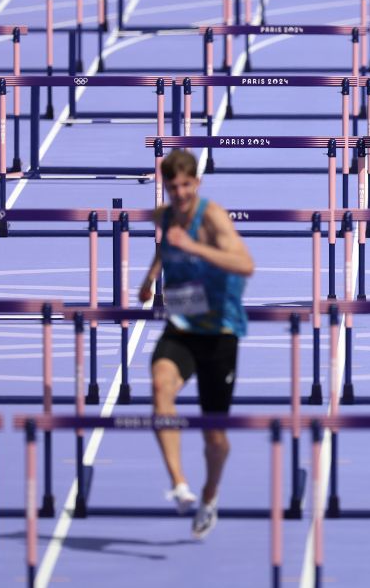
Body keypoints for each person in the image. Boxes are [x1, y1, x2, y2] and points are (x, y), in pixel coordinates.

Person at [137, 149, 255, 539]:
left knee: (214, 437)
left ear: (197, 184)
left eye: (186, 186)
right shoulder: (169, 215)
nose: (180, 193)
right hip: (183, 325)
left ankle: (209, 494)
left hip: (220, 330)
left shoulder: (212, 216)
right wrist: (150, 279)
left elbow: (245, 265)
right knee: (159, 386)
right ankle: (180, 484)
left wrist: (194, 249)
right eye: (173, 187)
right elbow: (165, 244)